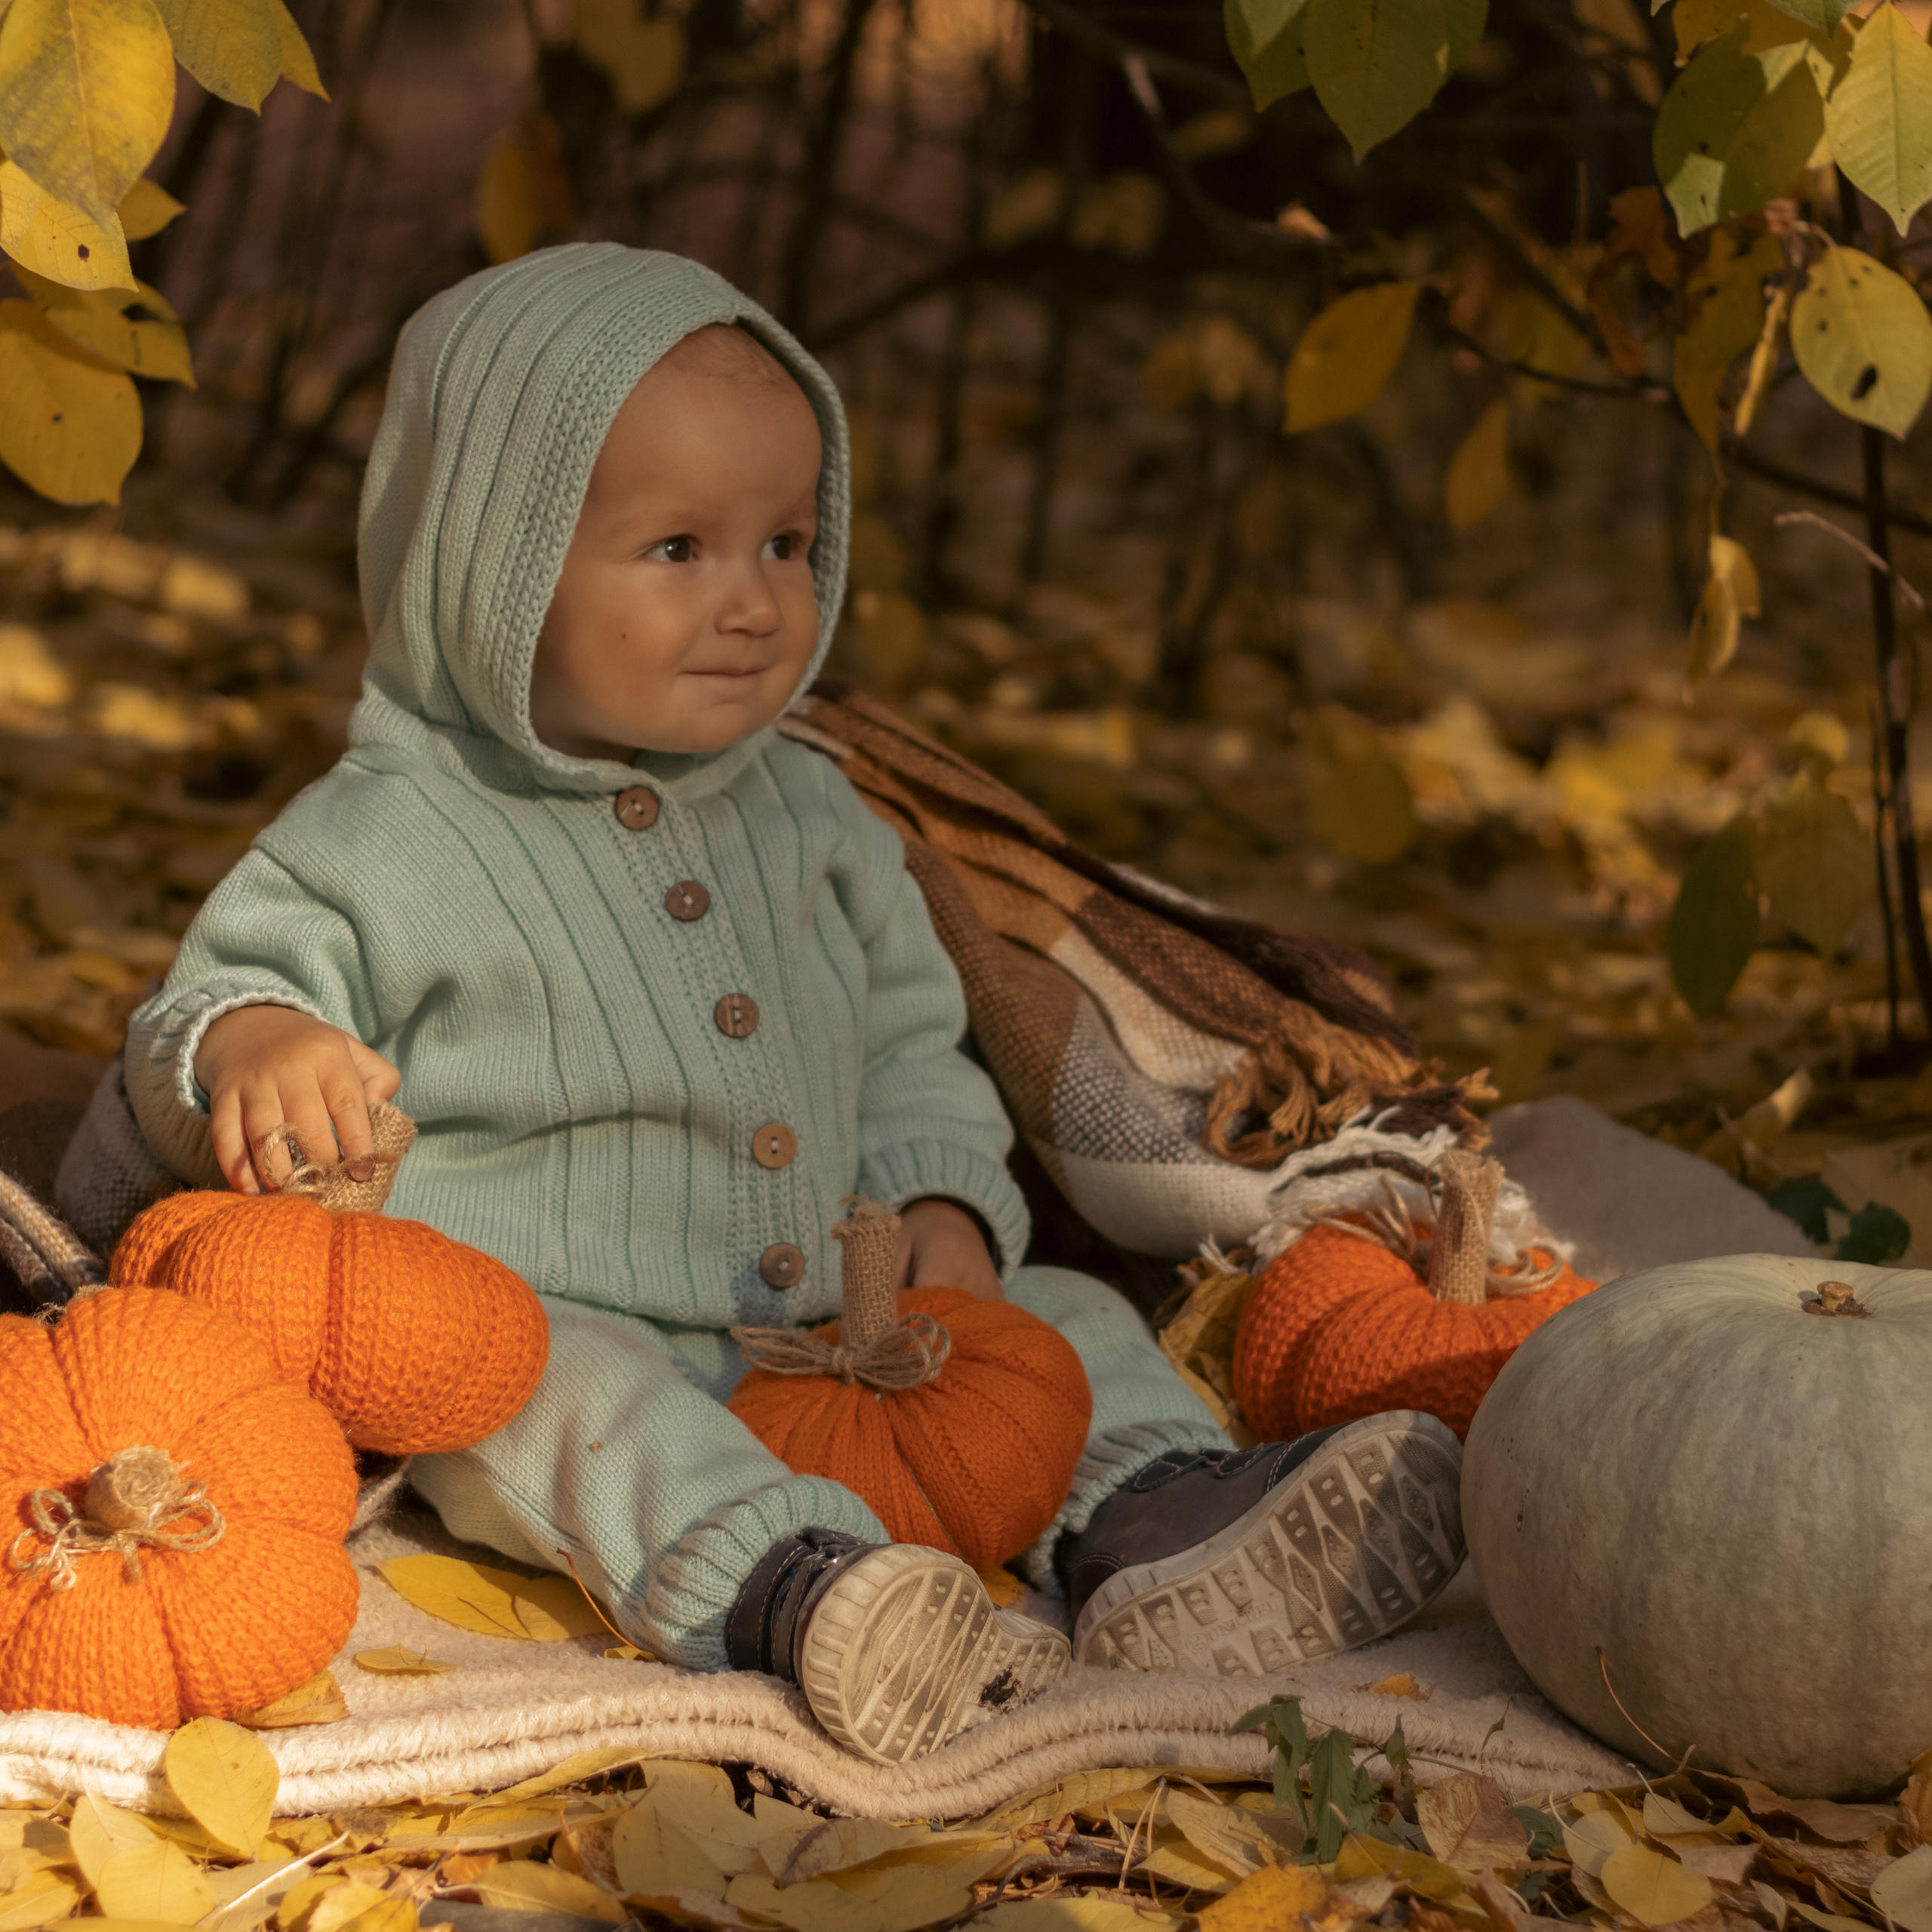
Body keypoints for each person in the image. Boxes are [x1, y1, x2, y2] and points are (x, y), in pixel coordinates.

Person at [123, 245, 1465, 1764]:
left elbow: (907, 1041)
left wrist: (939, 1204)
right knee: (547, 1403)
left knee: (1064, 1314)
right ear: (487, 563)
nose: (755, 602)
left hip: (841, 1318)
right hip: (553, 1309)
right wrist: (253, 1044)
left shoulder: (813, 816)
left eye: (786, 543)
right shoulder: (378, 835)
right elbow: (206, 1003)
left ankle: (1157, 1518)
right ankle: (800, 1587)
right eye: (679, 549)